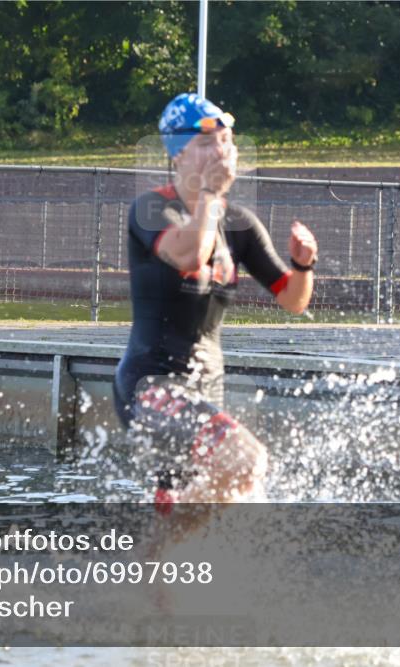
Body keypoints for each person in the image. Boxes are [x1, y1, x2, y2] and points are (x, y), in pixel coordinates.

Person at [114, 93, 319, 508]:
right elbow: (190, 254)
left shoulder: (239, 224)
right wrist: (208, 192)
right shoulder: (152, 208)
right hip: (152, 387)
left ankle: (147, 571)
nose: (222, 150)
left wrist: (303, 266)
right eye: (208, 142)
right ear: (178, 154)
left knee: (178, 515)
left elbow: (294, 301)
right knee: (248, 462)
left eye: (227, 140)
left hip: (207, 386)